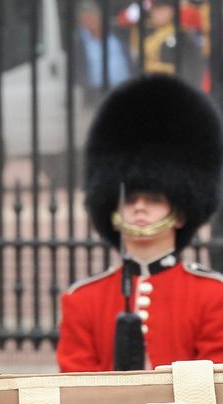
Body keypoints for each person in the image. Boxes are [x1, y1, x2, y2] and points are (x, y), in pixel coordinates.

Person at [56, 73, 223, 372]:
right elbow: (75, 392)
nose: (140, 208)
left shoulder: (213, 296)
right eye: (130, 200)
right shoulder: (81, 300)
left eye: (154, 199)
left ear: (181, 213)